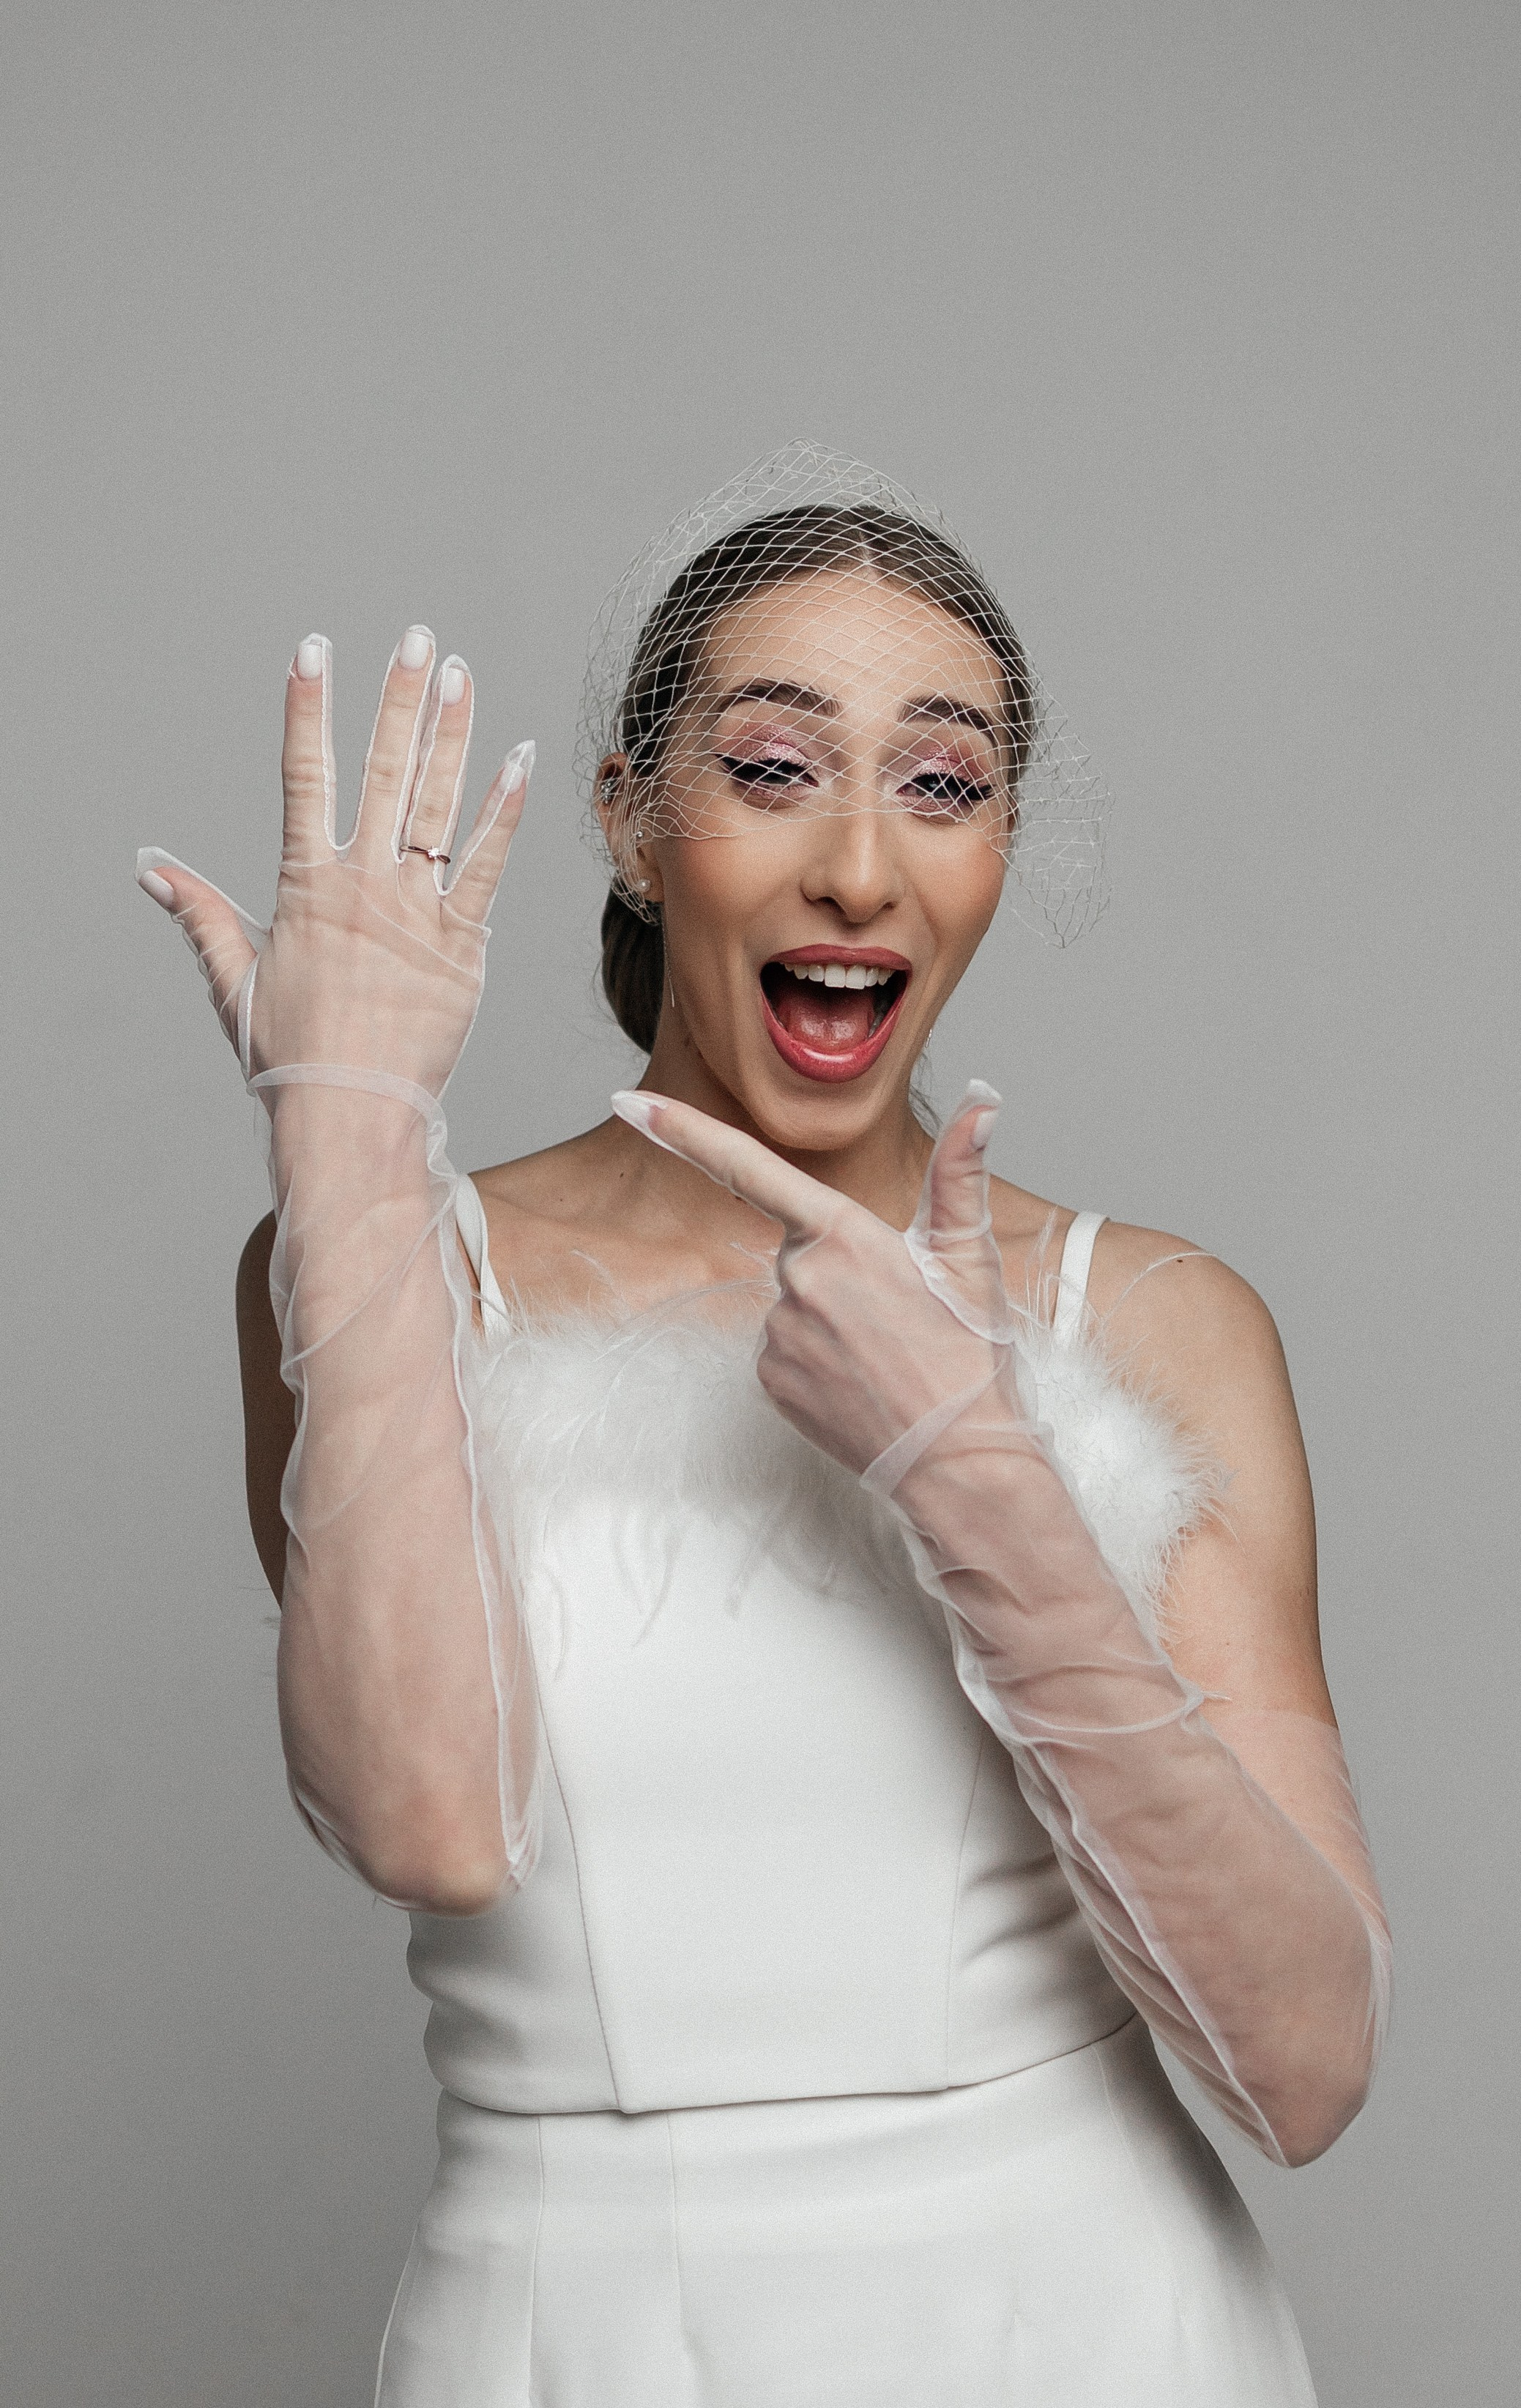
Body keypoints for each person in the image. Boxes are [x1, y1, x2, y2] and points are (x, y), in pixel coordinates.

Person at [138, 452, 1390, 2406]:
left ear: (997, 844)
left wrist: (984, 1482)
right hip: (573, 2338)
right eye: (777, 766)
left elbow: (1305, 2066)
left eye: (945, 781)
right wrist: (349, 1142)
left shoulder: (1157, 1323)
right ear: (635, 824)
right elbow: (426, 1820)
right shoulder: (387, 1263)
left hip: (1093, 2332)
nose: (864, 870)